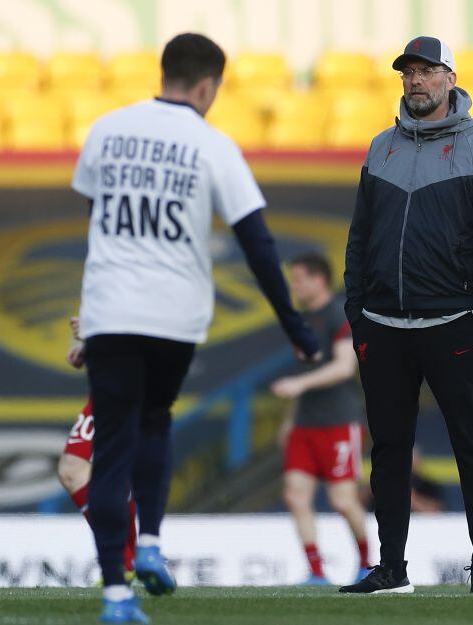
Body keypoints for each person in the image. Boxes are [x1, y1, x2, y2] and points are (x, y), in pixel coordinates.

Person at [72, 33, 320, 623]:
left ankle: (115, 593)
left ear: (165, 74)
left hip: (110, 310)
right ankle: (152, 544)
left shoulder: (106, 130)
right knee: (155, 422)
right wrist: (293, 324)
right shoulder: (213, 146)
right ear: (208, 86)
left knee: (110, 450)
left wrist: (96, 303)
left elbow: (94, 214)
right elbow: (256, 242)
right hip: (174, 316)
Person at [339, 36, 473, 595]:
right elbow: (360, 235)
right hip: (384, 325)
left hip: (453, 322)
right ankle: (391, 569)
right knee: (389, 451)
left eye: (425, 71)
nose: (414, 81)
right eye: (407, 73)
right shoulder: (381, 147)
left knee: (472, 445)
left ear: (449, 79)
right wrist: (357, 310)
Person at [269, 252, 370, 586]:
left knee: (343, 500)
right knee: (296, 495)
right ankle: (315, 571)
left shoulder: (337, 313)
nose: (295, 285)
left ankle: (369, 563)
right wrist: (290, 418)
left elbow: (344, 366)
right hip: (305, 422)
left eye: (299, 278)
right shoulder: (303, 319)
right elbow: (307, 370)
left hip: (338, 421)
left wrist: (298, 385)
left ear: (319, 279)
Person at [58, 317, 158, 592]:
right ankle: (127, 561)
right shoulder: (102, 283)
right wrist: (86, 345)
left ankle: (125, 561)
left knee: (76, 468)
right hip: (109, 385)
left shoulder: (134, 282)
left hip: (130, 383)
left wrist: (96, 329)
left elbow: (150, 331)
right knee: (96, 470)